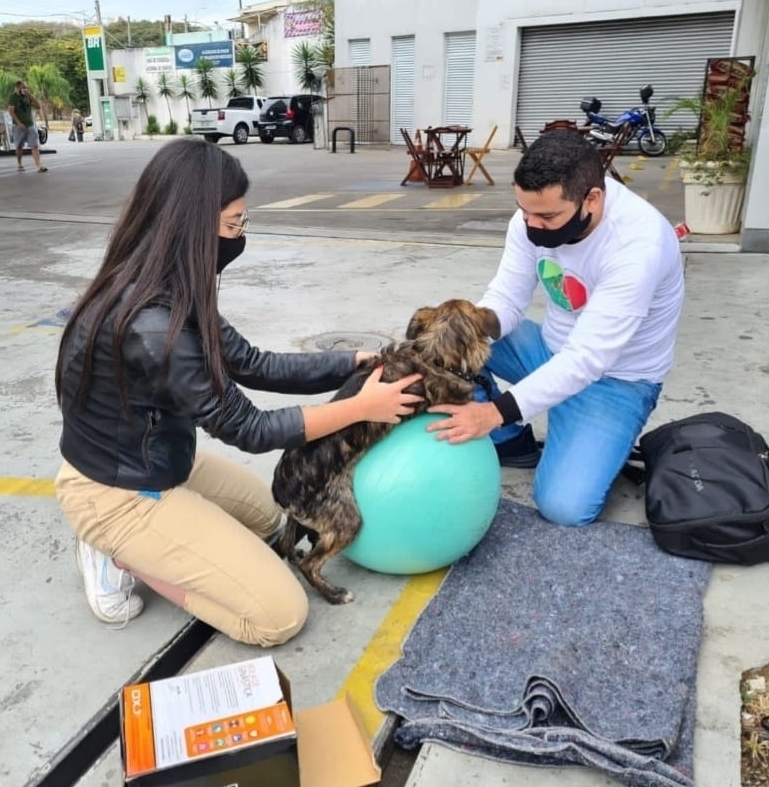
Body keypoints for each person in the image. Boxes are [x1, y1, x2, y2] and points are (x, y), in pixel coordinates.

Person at [54, 138, 422, 645]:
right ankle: (115, 551)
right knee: (278, 616)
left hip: (160, 460)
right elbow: (248, 428)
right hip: (118, 493)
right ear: (190, 226)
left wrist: (350, 363)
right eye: (233, 225)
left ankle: (151, 536)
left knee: (275, 520)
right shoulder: (155, 325)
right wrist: (361, 407)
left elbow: (253, 364)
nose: (240, 236)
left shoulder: (169, 285)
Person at [428, 129, 685, 528]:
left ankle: (580, 431)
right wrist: (471, 327)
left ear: (592, 199)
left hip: (616, 381)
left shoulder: (639, 244)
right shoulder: (534, 212)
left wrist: (493, 412)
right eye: (525, 211)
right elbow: (508, 298)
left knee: (564, 507)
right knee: (443, 340)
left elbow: (587, 360)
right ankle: (512, 442)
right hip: (547, 348)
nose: (532, 224)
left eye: (546, 217)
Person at [7, 80, 48, 172]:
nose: (25, 89)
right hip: (18, 126)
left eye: (26, 88)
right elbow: (11, 111)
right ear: (17, 88)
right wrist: (18, 123)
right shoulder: (13, 98)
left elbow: (38, 106)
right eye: (23, 87)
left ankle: (39, 166)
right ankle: (20, 164)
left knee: (35, 145)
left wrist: (30, 95)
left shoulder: (27, 97)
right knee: (19, 146)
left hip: (30, 125)